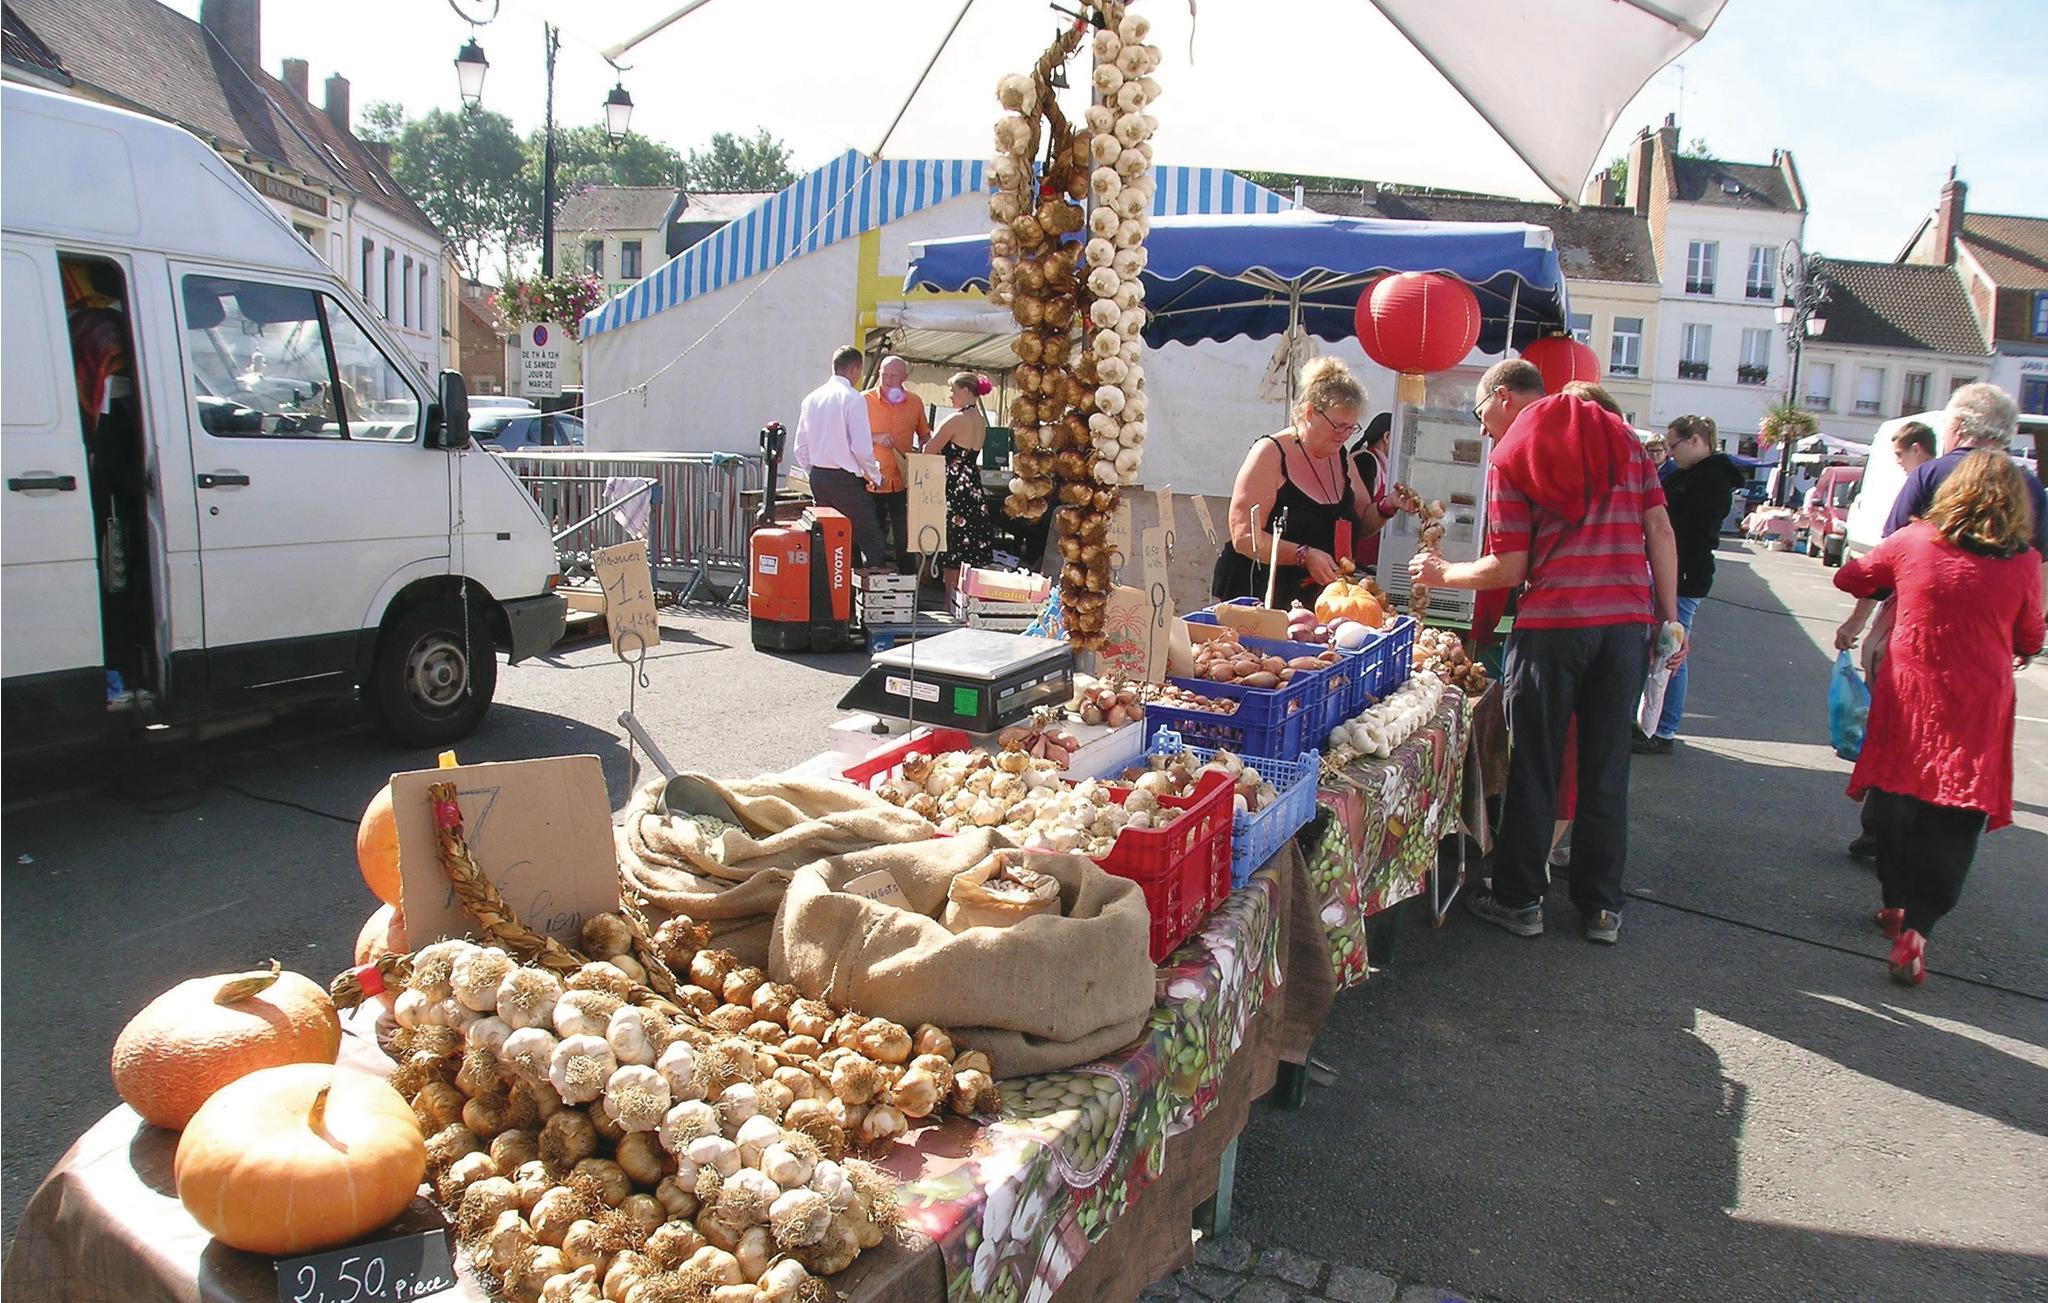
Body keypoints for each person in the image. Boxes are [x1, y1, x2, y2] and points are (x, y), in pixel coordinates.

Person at [1412, 360, 1681, 945]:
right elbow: (1660, 529)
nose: (1482, 428)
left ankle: (1519, 900)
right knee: (1608, 764)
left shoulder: (1511, 455)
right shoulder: (1624, 438)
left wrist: (1443, 573)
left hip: (1555, 624)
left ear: (1504, 397)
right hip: (1625, 624)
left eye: (1481, 414)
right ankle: (1602, 907)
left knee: (1536, 762)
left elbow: (1510, 567)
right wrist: (1671, 619)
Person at [1833, 450, 2044, 984]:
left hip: (1911, 692)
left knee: (1896, 797)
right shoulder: (2023, 562)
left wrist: (1895, 577)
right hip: (1978, 701)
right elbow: (2031, 635)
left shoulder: (1915, 541)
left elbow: (1851, 577)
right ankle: (1918, 929)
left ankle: (1894, 902)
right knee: (1957, 810)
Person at [1835, 388, 2045, 857]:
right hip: (1989, 641)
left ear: (1960, 426)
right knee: (1964, 743)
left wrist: (1861, 622)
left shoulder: (1930, 473)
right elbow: (2039, 567)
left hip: (1915, 628)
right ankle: (1939, 843)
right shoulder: (2027, 485)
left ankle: (1881, 833)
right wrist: (2026, 632)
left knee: (1900, 730)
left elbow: (1884, 561)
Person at [1215, 357, 1384, 607]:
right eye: (1338, 426)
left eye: (1351, 428)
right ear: (1310, 413)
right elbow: (1245, 537)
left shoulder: (1343, 457)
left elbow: (1364, 523)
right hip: (1260, 594)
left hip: (1315, 600)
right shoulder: (1270, 453)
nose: (1344, 436)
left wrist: (1387, 507)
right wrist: (1303, 555)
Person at [1635, 415, 1743, 753]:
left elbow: (1691, 530)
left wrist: (1659, 540)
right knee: (1666, 651)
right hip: (1678, 571)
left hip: (1684, 574)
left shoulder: (1710, 479)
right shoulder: (1692, 475)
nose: (1670, 451)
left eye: (1674, 444)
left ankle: (1663, 729)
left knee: (1672, 653)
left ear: (1696, 440)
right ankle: (1654, 725)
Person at [790, 345, 887, 568]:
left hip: (819, 476)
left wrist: (813, 471)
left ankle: (837, 588)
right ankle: (873, 587)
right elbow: (861, 448)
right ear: (854, 369)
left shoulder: (811, 398)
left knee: (832, 539)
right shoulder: (853, 399)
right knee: (871, 539)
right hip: (844, 479)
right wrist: (875, 476)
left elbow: (800, 447)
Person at [923, 371, 998, 594]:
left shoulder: (956, 419)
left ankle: (950, 602)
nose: (950, 396)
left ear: (966, 391)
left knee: (953, 550)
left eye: (953, 391)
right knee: (970, 548)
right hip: (973, 485)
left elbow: (928, 450)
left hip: (954, 488)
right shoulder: (981, 421)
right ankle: (964, 602)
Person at [864, 355, 930, 574]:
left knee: (904, 532)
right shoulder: (864, 400)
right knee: (873, 532)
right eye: (884, 375)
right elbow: (848, 436)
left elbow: (924, 435)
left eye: (893, 376)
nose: (888, 380)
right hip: (870, 479)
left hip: (902, 479)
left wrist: (926, 454)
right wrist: (876, 438)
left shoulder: (915, 402)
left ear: (905, 377)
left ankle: (907, 578)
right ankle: (874, 576)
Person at [1346, 412, 1400, 571]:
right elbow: (1359, 516)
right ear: (1387, 437)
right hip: (1357, 559)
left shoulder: (1383, 466)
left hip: (1372, 560)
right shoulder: (1366, 460)